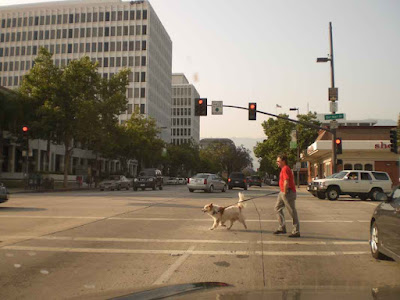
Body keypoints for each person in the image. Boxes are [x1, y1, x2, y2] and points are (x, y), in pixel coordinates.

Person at [274, 154, 300, 238]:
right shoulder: (283, 169)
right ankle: (282, 227)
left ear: (283, 161)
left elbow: (286, 181)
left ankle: (296, 231)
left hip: (288, 192)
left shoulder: (285, 169)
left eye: (278, 161)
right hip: (282, 192)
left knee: (292, 211)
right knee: (277, 208)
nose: (277, 162)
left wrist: (285, 192)